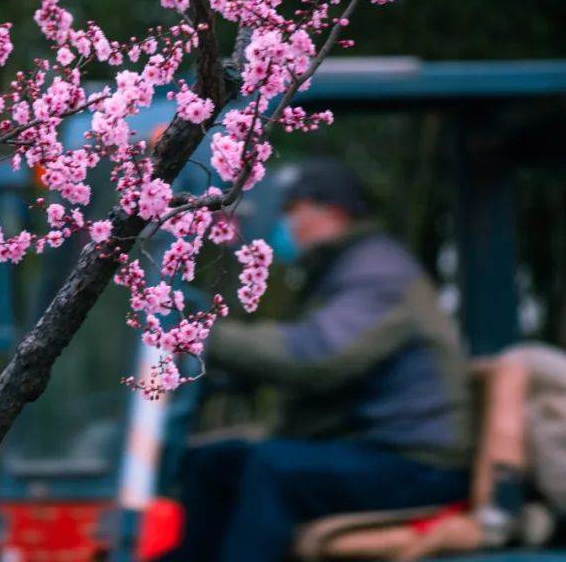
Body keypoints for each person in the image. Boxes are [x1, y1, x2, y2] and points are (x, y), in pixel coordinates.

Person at [170, 158, 473, 562]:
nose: (282, 224)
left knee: (274, 467)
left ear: (331, 212)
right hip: (368, 449)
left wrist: (201, 336)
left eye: (290, 211)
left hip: (416, 464)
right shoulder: (341, 270)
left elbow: (317, 357)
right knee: (215, 463)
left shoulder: (378, 273)